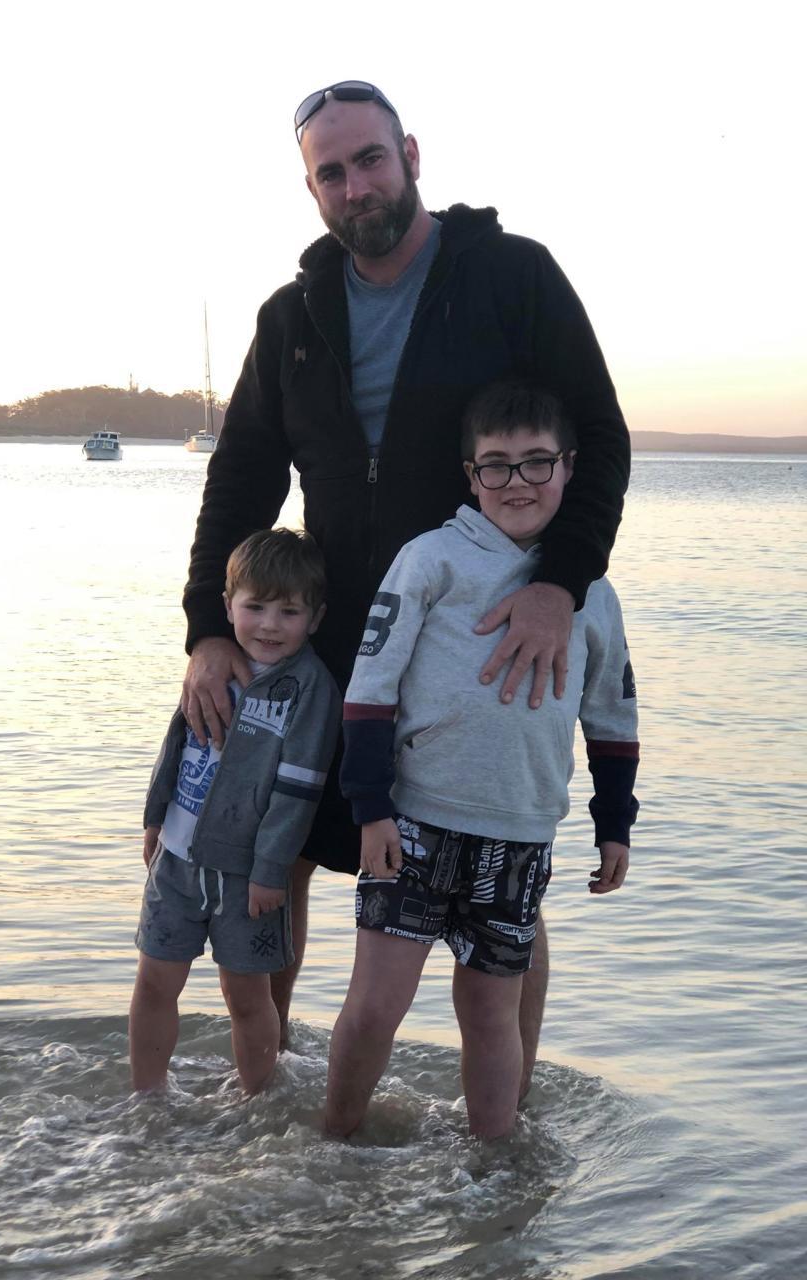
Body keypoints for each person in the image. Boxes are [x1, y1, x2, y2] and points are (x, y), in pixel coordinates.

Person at [179, 81, 631, 1080]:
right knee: (277, 849)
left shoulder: (511, 277)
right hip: (322, 628)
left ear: (411, 154)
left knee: (498, 879)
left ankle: (509, 1118)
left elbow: (597, 435)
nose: (354, 184)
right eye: (329, 172)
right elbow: (242, 473)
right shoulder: (293, 315)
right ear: (313, 191)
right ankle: (270, 1099)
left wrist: (560, 582)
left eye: (368, 158)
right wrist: (210, 625)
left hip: (481, 633)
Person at [324, 381, 640, 1138]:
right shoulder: (430, 560)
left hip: (521, 834)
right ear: (471, 476)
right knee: (375, 1008)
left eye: (537, 464)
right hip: (416, 825)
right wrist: (368, 807)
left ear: (569, 468)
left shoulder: (591, 595)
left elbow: (613, 721)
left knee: (493, 1016)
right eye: (495, 465)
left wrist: (614, 824)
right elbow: (370, 691)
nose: (517, 483)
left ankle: (493, 1163)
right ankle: (336, 1138)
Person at [130, 528, 340, 1093]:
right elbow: (175, 741)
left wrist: (272, 870)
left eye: (289, 611)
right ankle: (147, 1098)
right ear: (228, 608)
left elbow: (300, 789)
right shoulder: (212, 663)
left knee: (246, 997)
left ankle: (256, 1099)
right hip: (176, 860)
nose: (270, 624)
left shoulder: (310, 689)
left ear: (314, 618)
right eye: (256, 607)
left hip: (249, 876)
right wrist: (155, 818)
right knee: (153, 984)